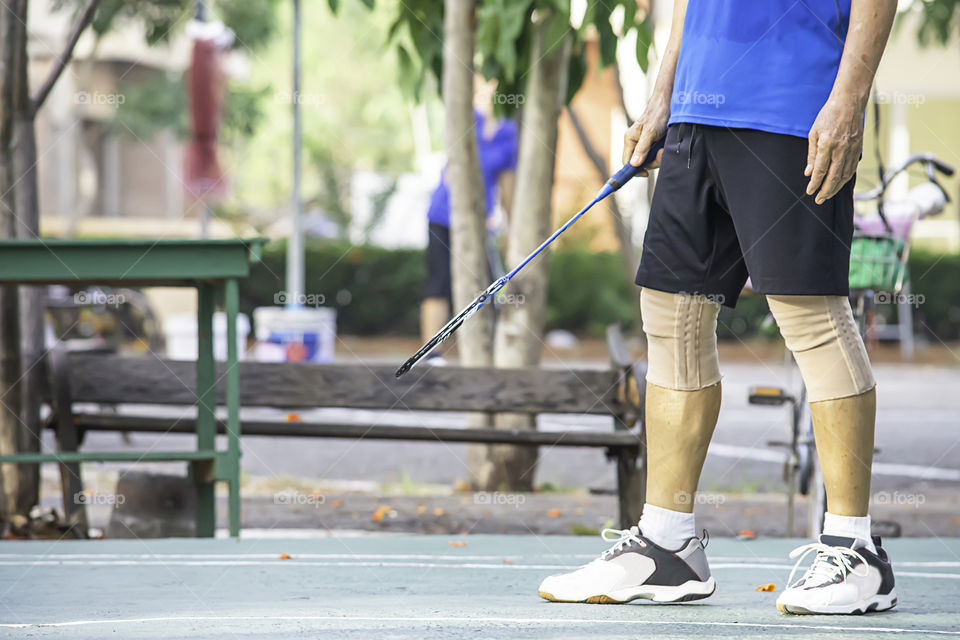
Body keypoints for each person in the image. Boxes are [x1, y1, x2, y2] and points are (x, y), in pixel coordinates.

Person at [538, 0, 898, 615]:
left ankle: (855, 550)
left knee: (810, 315)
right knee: (670, 312)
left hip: (795, 106)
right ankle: (666, 544)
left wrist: (849, 99)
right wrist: (661, 99)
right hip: (695, 110)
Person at [421, 108, 517, 361]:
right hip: (442, 216)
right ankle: (432, 356)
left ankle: (477, 352)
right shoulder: (467, 116)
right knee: (438, 284)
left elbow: (507, 189)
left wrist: (510, 229)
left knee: (481, 288)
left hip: (479, 224)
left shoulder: (509, 133)